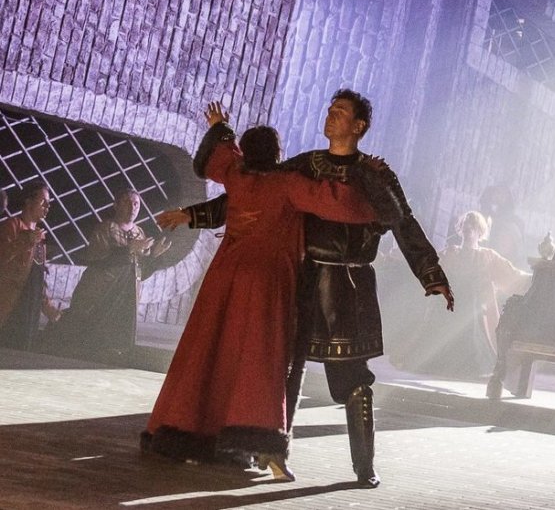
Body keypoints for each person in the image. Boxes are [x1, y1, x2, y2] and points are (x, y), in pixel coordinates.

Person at [155, 91, 451, 487]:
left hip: (348, 287)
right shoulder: (304, 167)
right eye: (330, 110)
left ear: (359, 125)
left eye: (340, 112)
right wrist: (192, 215)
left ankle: (364, 468)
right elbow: (252, 195)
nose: (330, 116)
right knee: (275, 370)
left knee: (354, 382)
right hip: (300, 279)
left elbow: (403, 222)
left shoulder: (375, 175)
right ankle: (258, 449)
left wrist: (430, 273)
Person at [393, 210, 530, 378]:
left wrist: (534, 277)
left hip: (474, 315)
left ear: (480, 231)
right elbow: (429, 265)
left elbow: (511, 274)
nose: (468, 228)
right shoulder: (451, 252)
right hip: (449, 310)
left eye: (473, 225)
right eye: (466, 224)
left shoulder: (488, 256)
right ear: (460, 228)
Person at [45, 188, 171, 362]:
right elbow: (98, 259)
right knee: (84, 335)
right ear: (116, 205)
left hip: (124, 296)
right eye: (127, 202)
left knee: (114, 341)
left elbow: (138, 271)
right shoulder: (105, 229)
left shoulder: (139, 233)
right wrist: (129, 249)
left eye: (136, 204)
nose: (132, 207)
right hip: (100, 292)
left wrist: (154, 257)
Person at [0, 180, 61, 350]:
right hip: (10, 304)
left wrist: (47, 306)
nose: (47, 207)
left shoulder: (40, 237)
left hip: (30, 307)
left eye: (49, 203)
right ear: (28, 201)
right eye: (43, 202)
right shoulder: (11, 226)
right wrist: (26, 240)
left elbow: (37, 274)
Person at [479, 185, 526, 268]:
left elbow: (519, 250)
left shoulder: (515, 222)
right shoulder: (483, 218)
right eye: (495, 194)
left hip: (506, 263)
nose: (498, 197)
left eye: (501, 194)